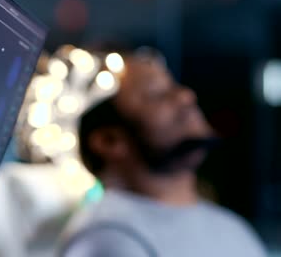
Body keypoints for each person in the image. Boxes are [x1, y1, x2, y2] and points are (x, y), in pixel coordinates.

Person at [59, 55, 267, 257]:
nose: (186, 96)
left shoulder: (231, 226)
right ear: (110, 141)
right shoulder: (107, 239)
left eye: (173, 87)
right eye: (156, 94)